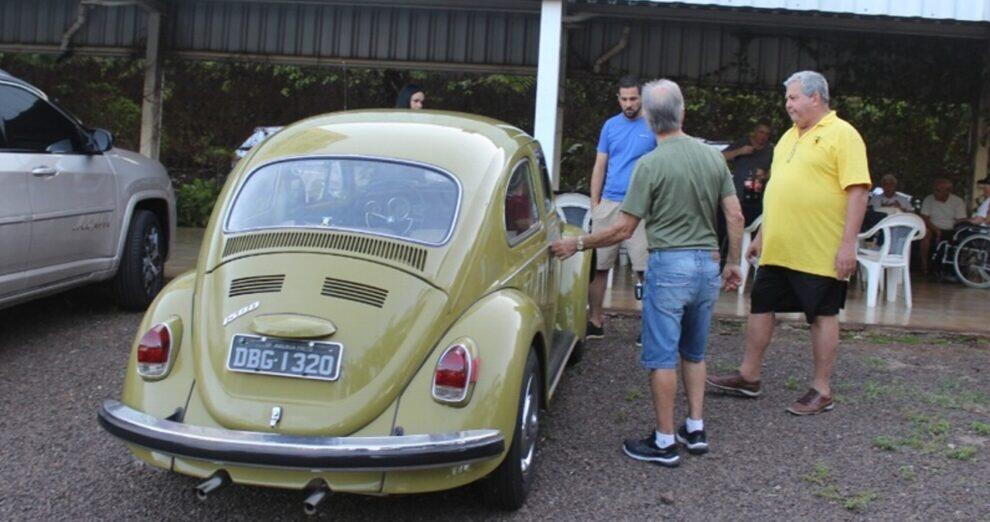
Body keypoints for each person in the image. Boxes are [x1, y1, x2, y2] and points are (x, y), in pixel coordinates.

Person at [552, 79, 744, 467]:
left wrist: (578, 244)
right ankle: (695, 427)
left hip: (669, 266)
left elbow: (623, 229)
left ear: (651, 120)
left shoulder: (650, 165)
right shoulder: (712, 158)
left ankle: (664, 442)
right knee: (694, 352)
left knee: (661, 358)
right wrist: (733, 262)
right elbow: (735, 215)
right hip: (705, 267)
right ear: (682, 113)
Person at [707, 70, 871, 416]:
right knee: (761, 306)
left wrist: (848, 246)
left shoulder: (843, 135)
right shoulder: (787, 138)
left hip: (819, 249)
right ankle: (749, 376)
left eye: (793, 97)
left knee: (822, 314)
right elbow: (780, 190)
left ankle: (822, 389)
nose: (788, 105)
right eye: (787, 98)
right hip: (779, 247)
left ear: (816, 97)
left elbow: (858, 191)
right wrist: (764, 235)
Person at [587, 76, 656, 342]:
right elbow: (600, 164)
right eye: (624, 99)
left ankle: (648, 328)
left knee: (644, 269)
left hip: (640, 206)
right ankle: (595, 322)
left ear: (642, 99)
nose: (629, 104)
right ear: (618, 99)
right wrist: (596, 205)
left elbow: (661, 164)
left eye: (633, 99)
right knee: (599, 267)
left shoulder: (653, 125)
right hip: (609, 204)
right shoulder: (610, 126)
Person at [722, 120, 774, 225]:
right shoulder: (743, 142)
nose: (763, 136)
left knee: (754, 227)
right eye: (761, 132)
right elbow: (720, 156)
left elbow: (777, 169)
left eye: (766, 134)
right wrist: (739, 151)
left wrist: (766, 175)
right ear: (755, 131)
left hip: (758, 198)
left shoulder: (770, 149)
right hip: (738, 195)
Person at [919, 178, 967, 274]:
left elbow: (961, 220)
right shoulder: (929, 199)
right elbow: (925, 218)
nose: (935, 193)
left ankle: (953, 268)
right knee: (926, 233)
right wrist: (936, 230)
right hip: (933, 227)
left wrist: (953, 230)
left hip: (951, 229)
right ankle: (924, 266)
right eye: (935, 190)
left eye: (938, 190)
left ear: (948, 191)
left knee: (960, 236)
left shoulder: (957, 201)